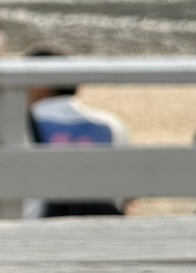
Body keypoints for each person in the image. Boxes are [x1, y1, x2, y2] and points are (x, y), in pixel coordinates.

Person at [24, 48, 128, 217]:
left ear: (39, 83)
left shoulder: (25, 122)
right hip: (104, 221)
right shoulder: (111, 124)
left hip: (42, 226)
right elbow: (127, 195)